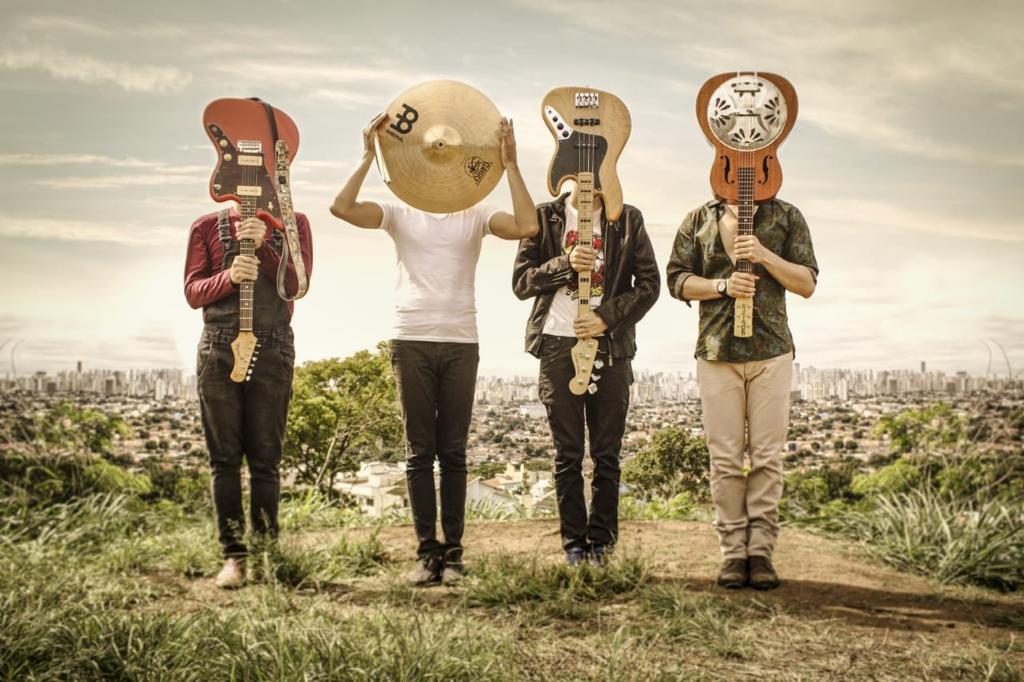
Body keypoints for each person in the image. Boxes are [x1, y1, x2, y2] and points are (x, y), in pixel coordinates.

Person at [330, 114, 538, 586]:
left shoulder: (478, 213)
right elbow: (342, 209)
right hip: (411, 338)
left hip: (462, 340)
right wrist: (367, 157)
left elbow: (527, 225)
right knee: (420, 452)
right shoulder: (399, 212)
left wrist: (510, 167)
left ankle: (456, 554)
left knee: (455, 453)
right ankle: (428, 554)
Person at [666, 198, 817, 590]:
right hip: (717, 353)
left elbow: (807, 284)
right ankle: (734, 553)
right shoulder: (697, 218)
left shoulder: (786, 216)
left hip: (772, 351)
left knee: (767, 456)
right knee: (725, 459)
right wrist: (723, 285)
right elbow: (676, 281)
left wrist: (765, 255)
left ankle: (761, 552)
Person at [512, 184, 659, 565]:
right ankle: (574, 545)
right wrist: (565, 263)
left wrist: (605, 318)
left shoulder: (626, 218)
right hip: (557, 346)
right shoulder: (546, 217)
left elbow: (649, 285)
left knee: (607, 455)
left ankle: (603, 545)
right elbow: (522, 282)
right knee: (567, 455)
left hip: (610, 346)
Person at [184, 194, 313, 589]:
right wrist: (230, 276)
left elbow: (297, 286)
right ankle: (234, 558)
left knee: (265, 459)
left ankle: (267, 556)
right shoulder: (206, 226)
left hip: (272, 345)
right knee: (224, 459)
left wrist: (266, 250)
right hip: (219, 347)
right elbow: (192, 292)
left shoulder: (295, 223)